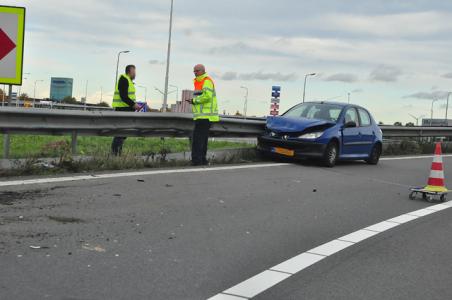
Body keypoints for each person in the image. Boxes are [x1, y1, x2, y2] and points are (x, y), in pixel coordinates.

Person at [186, 64, 220, 165]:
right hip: (202, 116)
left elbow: (207, 97)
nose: (195, 73)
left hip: (205, 116)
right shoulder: (198, 82)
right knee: (202, 140)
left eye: (197, 71)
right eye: (194, 71)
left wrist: (194, 101)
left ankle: (197, 161)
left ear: (202, 71)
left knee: (198, 140)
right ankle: (202, 160)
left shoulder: (206, 81)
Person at [111, 65, 141, 156]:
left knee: (123, 133)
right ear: (130, 71)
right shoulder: (124, 79)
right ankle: (115, 154)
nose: (135, 73)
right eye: (134, 71)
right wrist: (133, 105)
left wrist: (134, 105)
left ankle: (117, 154)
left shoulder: (129, 81)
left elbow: (127, 96)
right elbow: (123, 96)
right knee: (121, 133)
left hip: (126, 110)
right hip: (122, 110)